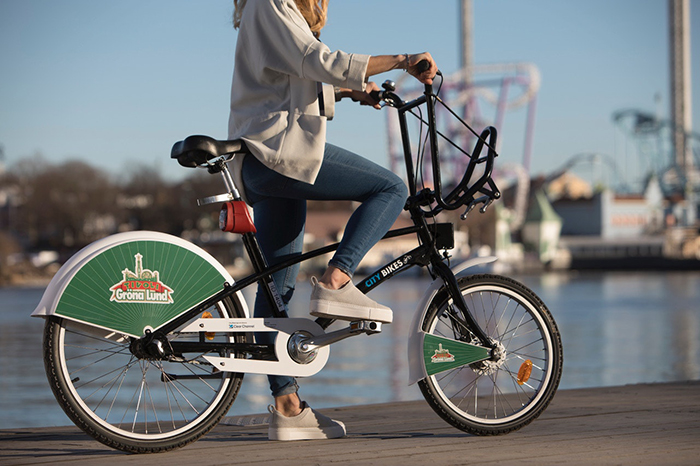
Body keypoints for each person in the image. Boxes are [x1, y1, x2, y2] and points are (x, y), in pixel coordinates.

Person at [228, 0, 438, 441]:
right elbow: (317, 60)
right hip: (279, 154)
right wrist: (401, 60)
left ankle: (287, 409)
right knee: (391, 189)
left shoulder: (262, 12)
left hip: (263, 163)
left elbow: (292, 78)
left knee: (277, 286)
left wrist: (350, 92)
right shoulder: (269, 4)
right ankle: (337, 281)